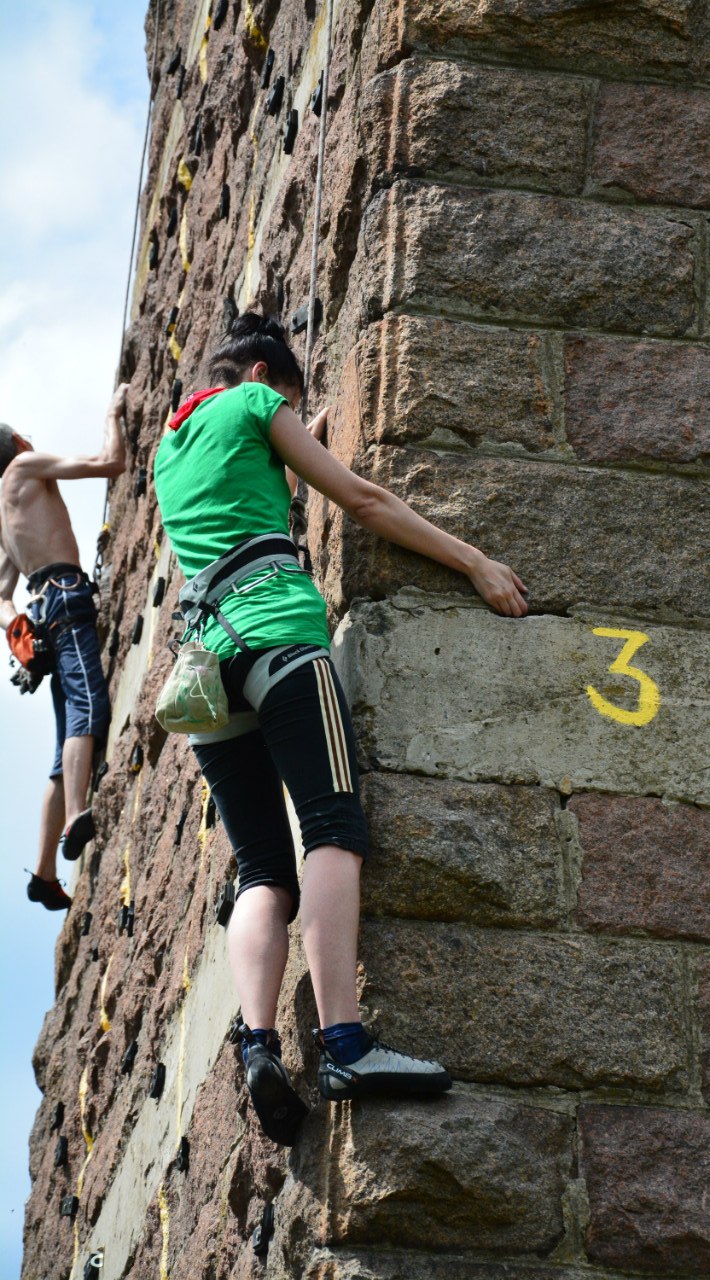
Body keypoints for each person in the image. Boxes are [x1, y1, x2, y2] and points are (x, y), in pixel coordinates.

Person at [153, 313, 528, 1144]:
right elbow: (359, 496)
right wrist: (472, 560)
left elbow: (244, 494)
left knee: (259, 868)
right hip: (278, 635)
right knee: (331, 826)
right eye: (292, 402)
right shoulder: (255, 405)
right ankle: (346, 1045)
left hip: (208, 672)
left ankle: (257, 1042)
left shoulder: (169, 450)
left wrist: (290, 435)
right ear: (259, 375)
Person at [0, 389, 127, 910]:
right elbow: (110, 462)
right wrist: (113, 414)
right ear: (20, 442)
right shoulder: (27, 466)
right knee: (89, 706)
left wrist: (20, 634)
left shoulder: (3, 512)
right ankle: (77, 815)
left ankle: (45, 874)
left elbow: (0, 594)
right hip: (67, 596)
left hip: (44, 608)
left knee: (60, 753)